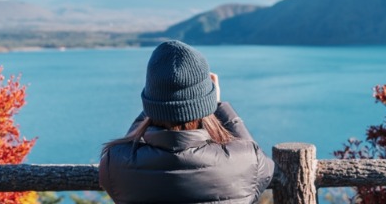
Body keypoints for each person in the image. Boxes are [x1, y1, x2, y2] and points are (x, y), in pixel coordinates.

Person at [99, 40, 274, 203]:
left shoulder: (115, 162)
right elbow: (263, 167)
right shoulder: (246, 159)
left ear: (149, 104)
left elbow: (131, 146)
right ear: (207, 104)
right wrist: (219, 105)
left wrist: (157, 101)